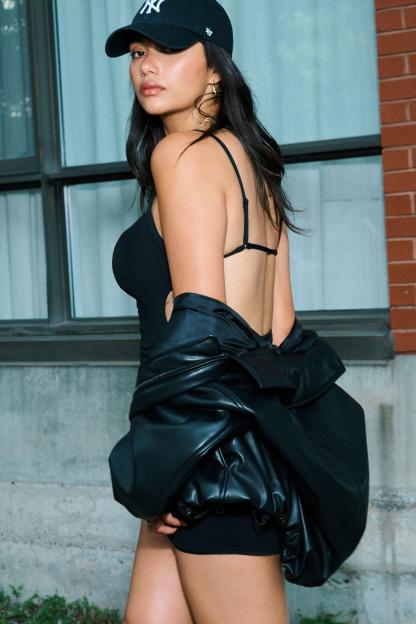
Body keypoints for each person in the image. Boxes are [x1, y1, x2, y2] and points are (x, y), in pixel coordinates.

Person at [106, 1, 308, 622]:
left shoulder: (181, 155)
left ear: (216, 67)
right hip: (233, 443)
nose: (147, 66)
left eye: (168, 49)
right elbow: (280, 332)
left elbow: (199, 325)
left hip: (200, 453)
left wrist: (170, 468)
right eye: (138, 52)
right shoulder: (254, 163)